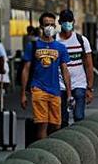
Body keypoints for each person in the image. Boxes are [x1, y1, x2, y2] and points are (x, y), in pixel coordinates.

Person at [20, 12, 72, 140]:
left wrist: (69, 93)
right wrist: (23, 93)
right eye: (46, 24)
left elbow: (65, 70)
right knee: (42, 123)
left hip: (55, 90)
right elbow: (26, 69)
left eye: (52, 24)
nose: (49, 27)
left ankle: (51, 150)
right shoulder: (33, 46)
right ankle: (42, 155)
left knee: (56, 125)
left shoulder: (60, 47)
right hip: (38, 89)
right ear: (41, 27)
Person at [57, 9, 94, 125]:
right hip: (60, 85)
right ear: (59, 22)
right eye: (64, 21)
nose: (67, 23)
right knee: (62, 120)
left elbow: (89, 66)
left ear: (73, 21)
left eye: (69, 21)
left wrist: (89, 88)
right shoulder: (55, 41)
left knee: (79, 117)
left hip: (79, 83)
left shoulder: (81, 41)